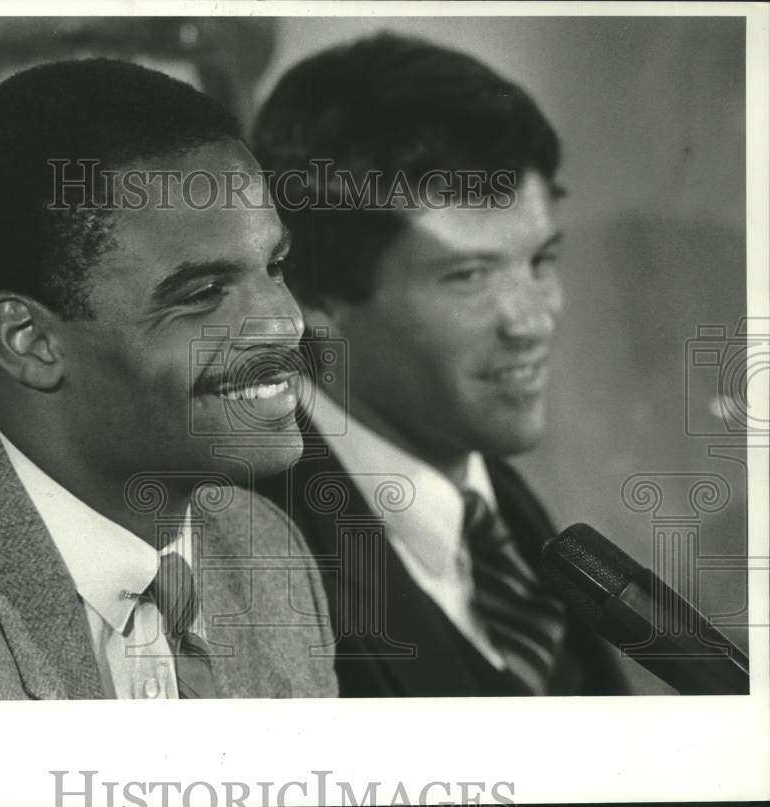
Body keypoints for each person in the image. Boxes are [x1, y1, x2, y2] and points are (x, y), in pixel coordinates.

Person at [0, 58, 336, 701]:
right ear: (28, 341)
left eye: (274, 267)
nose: (285, 324)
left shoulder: (266, 548)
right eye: (202, 293)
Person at [253, 33, 633, 695]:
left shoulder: (506, 509)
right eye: (467, 276)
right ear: (314, 293)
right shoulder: (252, 558)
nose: (535, 319)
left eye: (541, 260)